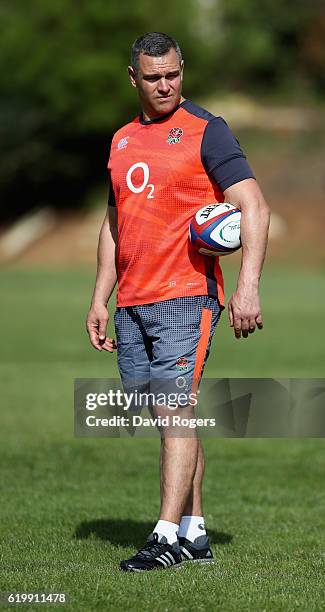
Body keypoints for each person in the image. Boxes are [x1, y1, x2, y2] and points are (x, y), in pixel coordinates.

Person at [86, 32, 270, 572]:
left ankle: (164, 537)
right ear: (133, 78)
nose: (165, 85)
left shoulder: (207, 131)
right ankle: (194, 532)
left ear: (181, 69)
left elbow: (253, 207)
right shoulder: (120, 141)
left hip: (186, 299)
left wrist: (248, 284)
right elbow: (115, 222)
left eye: (173, 74)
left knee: (175, 411)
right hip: (133, 303)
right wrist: (101, 296)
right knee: (169, 418)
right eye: (153, 77)